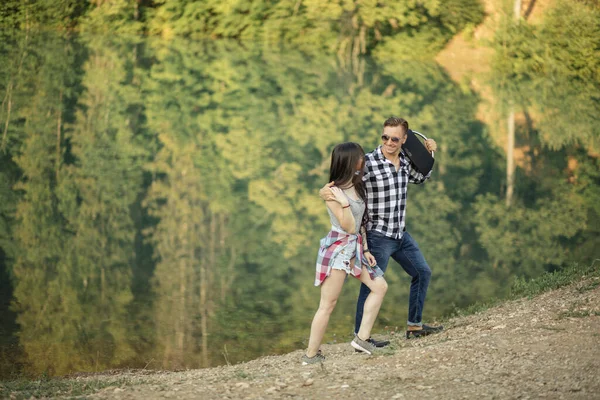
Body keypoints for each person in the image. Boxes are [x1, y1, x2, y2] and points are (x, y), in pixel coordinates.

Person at [320, 117, 442, 342]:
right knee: (371, 287)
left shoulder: (405, 160)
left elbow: (420, 177)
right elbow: (343, 182)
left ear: (404, 139)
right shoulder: (367, 162)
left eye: (395, 139)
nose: (389, 142)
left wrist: (429, 155)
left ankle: (414, 327)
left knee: (422, 272)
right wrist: (325, 192)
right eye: (385, 137)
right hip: (376, 237)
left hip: (400, 234)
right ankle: (361, 338)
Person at [302, 142, 388, 365]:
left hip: (356, 248)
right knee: (328, 305)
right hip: (339, 250)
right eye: (360, 157)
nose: (363, 160)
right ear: (349, 161)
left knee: (380, 287)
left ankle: (362, 338)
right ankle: (311, 355)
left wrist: (366, 248)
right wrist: (343, 203)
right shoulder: (331, 192)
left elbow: (360, 225)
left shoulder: (358, 185)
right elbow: (348, 226)